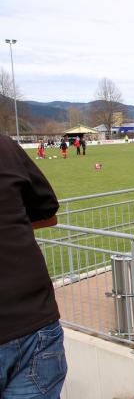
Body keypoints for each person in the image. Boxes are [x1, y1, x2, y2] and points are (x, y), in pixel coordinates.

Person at [0, 135, 67, 398]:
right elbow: (47, 213)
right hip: (35, 322)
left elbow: (48, 214)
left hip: (35, 329)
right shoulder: (5, 146)